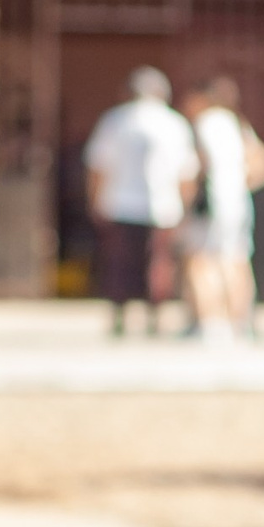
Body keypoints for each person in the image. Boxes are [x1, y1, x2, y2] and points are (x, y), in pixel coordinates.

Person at [82, 66, 198, 337]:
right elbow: (186, 173)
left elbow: (98, 167)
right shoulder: (173, 124)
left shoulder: (116, 121)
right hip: (162, 206)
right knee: (157, 263)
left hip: (120, 204)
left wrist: (95, 200)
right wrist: (185, 206)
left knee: (119, 264)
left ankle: (119, 317)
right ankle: (154, 318)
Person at [178, 75, 264, 342]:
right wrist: (238, 185)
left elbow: (194, 167)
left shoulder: (202, 124)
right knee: (236, 261)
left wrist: (188, 203)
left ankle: (209, 324)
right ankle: (239, 324)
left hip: (210, 203)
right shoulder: (238, 125)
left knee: (200, 263)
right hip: (237, 203)